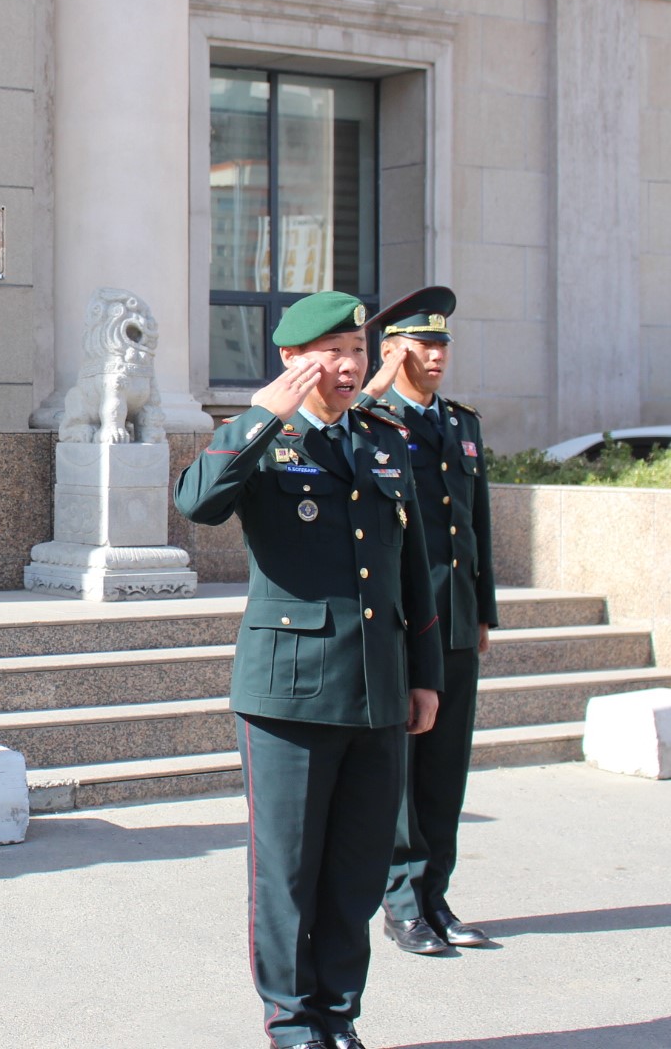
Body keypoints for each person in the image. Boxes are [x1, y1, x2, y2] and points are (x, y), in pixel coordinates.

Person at [174, 290, 444, 1049]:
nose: (350, 365)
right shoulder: (265, 441)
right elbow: (196, 503)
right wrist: (258, 417)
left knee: (356, 875)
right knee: (288, 875)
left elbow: (412, 571)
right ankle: (291, 1023)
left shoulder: (382, 439)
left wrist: (423, 676)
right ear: (292, 360)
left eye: (356, 351)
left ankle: (337, 1015)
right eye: (333, 352)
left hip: (376, 691)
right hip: (289, 693)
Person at [360, 287, 497, 955]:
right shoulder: (372, 421)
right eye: (423, 343)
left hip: (455, 621)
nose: (437, 355)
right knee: (404, 773)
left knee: (445, 770)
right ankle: (400, 904)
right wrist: (370, 388)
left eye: (442, 344)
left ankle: (435, 898)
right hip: (403, 624)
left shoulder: (461, 423)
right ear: (392, 350)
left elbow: (478, 527)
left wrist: (484, 610)